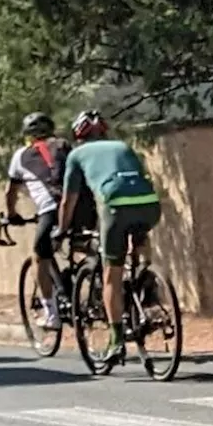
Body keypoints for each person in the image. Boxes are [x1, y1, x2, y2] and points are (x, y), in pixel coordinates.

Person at [58, 109, 162, 365]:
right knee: (137, 240)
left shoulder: (77, 154)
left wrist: (61, 230)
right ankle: (146, 285)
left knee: (111, 275)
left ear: (78, 136)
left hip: (114, 206)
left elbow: (68, 201)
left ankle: (116, 340)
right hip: (150, 204)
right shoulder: (123, 146)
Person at [5, 112, 72, 329]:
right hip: (81, 206)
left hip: (51, 210)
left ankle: (51, 314)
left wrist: (11, 215)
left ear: (28, 135)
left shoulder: (21, 155)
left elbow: (10, 192)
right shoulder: (65, 147)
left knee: (39, 257)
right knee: (79, 241)